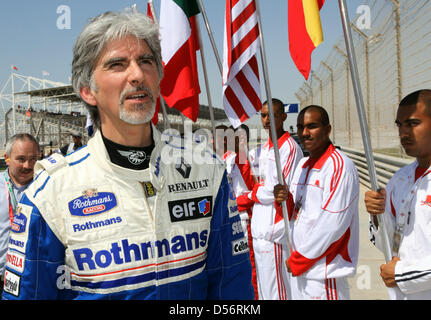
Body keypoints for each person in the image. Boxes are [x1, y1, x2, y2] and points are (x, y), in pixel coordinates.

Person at [2, 11, 254, 300]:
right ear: (87, 90)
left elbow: (231, 286)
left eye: (146, 61)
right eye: (117, 64)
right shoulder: (51, 191)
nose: (137, 75)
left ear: (159, 76)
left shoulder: (206, 170)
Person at [274, 105, 359, 300]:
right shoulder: (302, 165)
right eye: (300, 127)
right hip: (300, 271)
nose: (304, 133)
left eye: (312, 126)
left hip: (323, 274)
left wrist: (299, 260)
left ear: (328, 129)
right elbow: (295, 212)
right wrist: (283, 201)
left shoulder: (339, 166)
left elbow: (333, 224)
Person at [364, 89, 431, 299]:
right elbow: (391, 245)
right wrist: (377, 214)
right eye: (399, 125)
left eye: (412, 123)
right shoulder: (401, 178)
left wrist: (401, 274)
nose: (403, 132)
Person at [248, 98, 303, 300]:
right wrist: (260, 191)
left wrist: (255, 194)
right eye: (263, 115)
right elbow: (260, 186)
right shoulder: (262, 150)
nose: (266, 119)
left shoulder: (289, 148)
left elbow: (279, 191)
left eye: (272, 114)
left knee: (278, 294)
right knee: (264, 293)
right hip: (259, 231)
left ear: (283, 116)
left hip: (275, 233)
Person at [0, 134, 39, 295]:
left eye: (33, 159)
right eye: (21, 159)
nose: (27, 165)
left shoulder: (47, 187)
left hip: (34, 279)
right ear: (7, 158)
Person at [224, 124, 258, 298]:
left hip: (247, 221)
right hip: (232, 222)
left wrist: (234, 203)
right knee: (236, 264)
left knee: (250, 265)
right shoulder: (230, 159)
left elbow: (257, 194)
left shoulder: (252, 161)